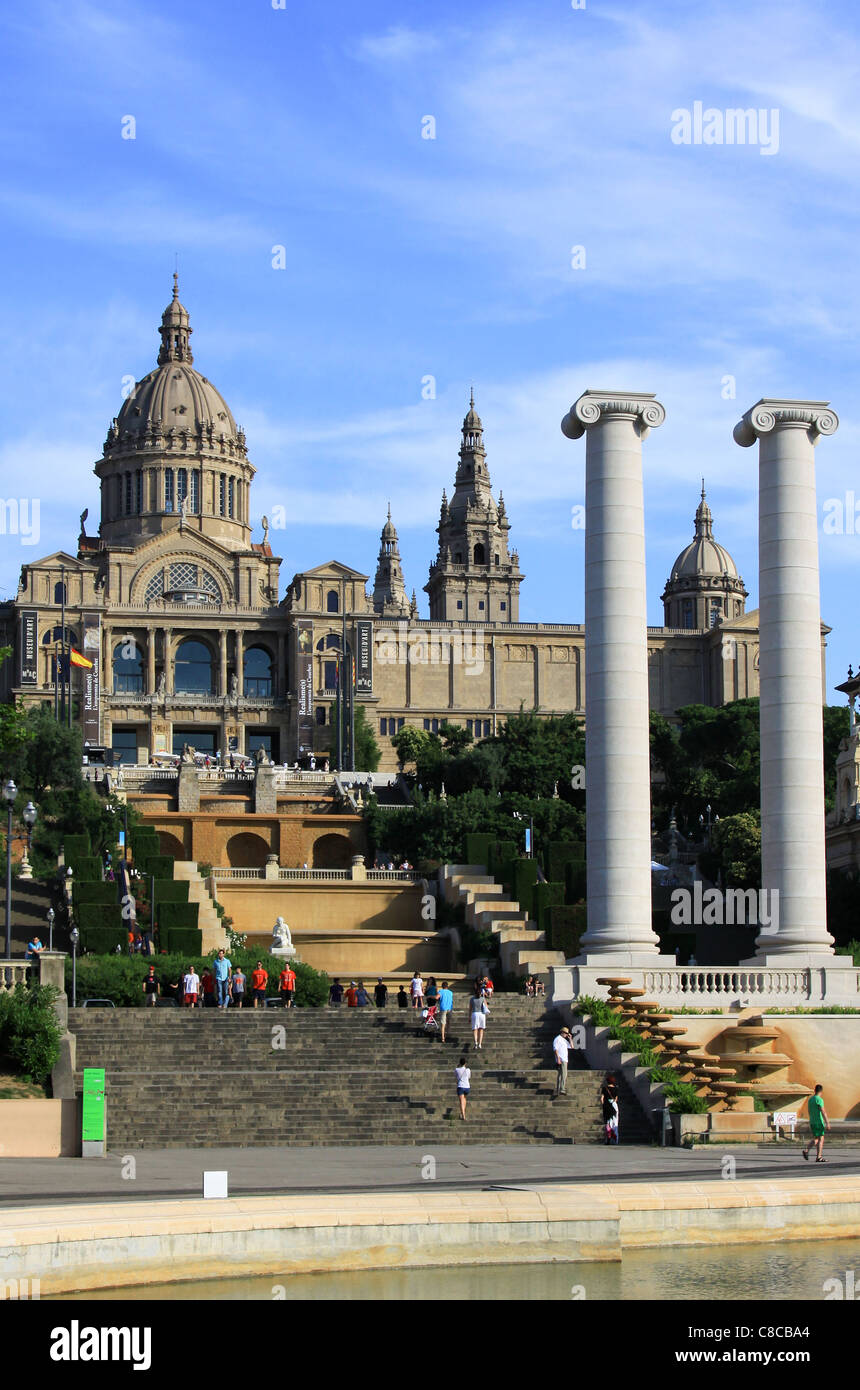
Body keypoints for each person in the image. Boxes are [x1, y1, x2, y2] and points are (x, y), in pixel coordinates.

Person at [803, 1084, 831, 1163]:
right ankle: (819, 1157)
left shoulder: (810, 1100)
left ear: (815, 1090)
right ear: (821, 1091)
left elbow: (809, 1111)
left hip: (812, 1121)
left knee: (816, 1139)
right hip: (819, 1122)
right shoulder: (819, 1099)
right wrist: (827, 1123)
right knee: (821, 1138)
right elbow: (823, 1111)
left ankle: (806, 1150)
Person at [553, 1026, 572, 1096]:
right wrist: (558, 1058)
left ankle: (559, 1089)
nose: (566, 1035)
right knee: (564, 1074)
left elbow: (572, 1046)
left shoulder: (564, 1040)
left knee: (561, 1074)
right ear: (562, 1032)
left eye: (567, 1033)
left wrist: (570, 1038)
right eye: (566, 1033)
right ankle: (562, 1089)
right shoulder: (557, 1039)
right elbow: (555, 1049)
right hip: (561, 1059)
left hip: (564, 1059)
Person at [601, 1074, 620, 1144]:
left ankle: (608, 1135)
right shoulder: (616, 1089)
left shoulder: (604, 1088)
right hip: (614, 1106)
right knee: (615, 1121)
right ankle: (614, 1136)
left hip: (606, 1105)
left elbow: (602, 1099)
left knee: (607, 1121)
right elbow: (616, 1099)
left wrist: (604, 1104)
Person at [469, 985, 489, 1051]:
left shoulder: (472, 999)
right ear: (481, 992)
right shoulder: (483, 998)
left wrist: (469, 1017)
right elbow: (486, 1007)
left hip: (474, 1014)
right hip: (482, 1014)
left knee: (475, 1029)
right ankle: (480, 1043)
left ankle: (475, 1043)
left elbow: (470, 1009)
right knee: (481, 1029)